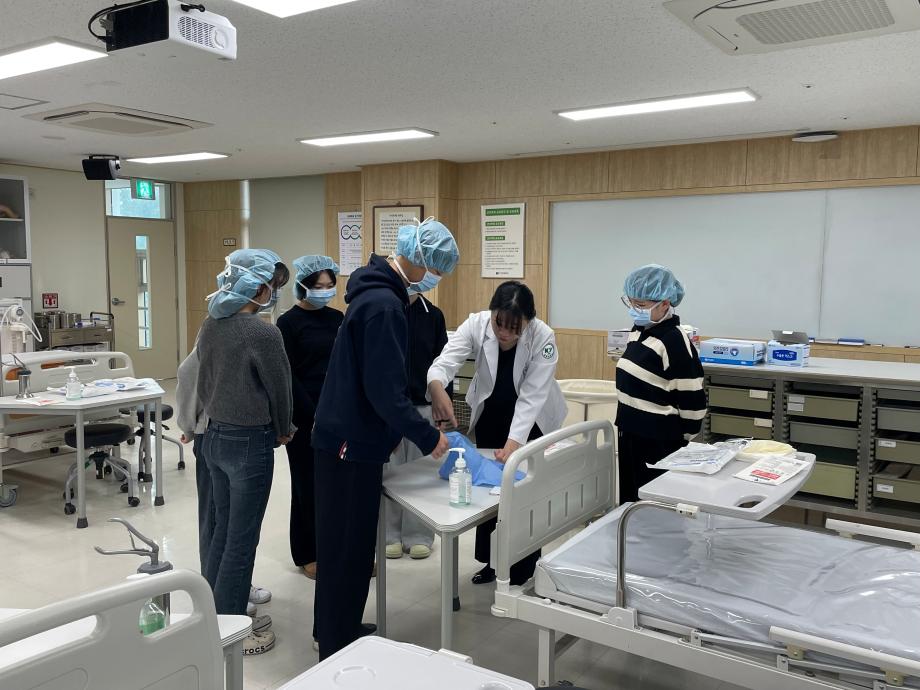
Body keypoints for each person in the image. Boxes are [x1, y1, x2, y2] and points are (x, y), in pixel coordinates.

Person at [312, 218, 459, 660]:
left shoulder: (377, 294)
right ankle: (337, 644)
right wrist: (427, 436)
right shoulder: (385, 306)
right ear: (418, 259)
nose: (435, 278)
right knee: (347, 546)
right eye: (436, 269)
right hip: (348, 444)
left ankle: (336, 627)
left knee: (348, 544)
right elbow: (384, 390)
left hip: (349, 435)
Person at [428, 281, 567, 586]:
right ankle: (492, 563)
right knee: (488, 488)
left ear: (528, 321)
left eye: (514, 327)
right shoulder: (476, 324)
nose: (504, 332)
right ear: (491, 312)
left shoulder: (543, 336)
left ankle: (522, 569)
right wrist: (436, 386)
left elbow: (532, 396)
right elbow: (446, 361)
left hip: (532, 422)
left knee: (524, 492)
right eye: (499, 323)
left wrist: (514, 443)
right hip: (492, 414)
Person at [196, 248, 295, 656]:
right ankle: (233, 632)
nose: (273, 291)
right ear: (257, 288)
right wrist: (284, 428)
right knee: (242, 539)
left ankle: (212, 618)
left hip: (214, 438)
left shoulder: (210, 325)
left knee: (221, 531)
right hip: (249, 443)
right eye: (271, 284)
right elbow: (280, 388)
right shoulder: (263, 334)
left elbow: (201, 381)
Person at [615, 264, 707, 503]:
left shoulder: (674, 341)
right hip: (630, 432)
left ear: (665, 303)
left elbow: (693, 403)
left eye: (641, 305)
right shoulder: (639, 331)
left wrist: (677, 442)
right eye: (631, 303)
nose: (634, 309)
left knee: (654, 506)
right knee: (631, 500)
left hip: (658, 442)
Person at [276, 255, 344, 580]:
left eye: (330, 285)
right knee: (307, 486)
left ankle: (339, 549)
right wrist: (314, 413)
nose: (325, 291)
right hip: (305, 417)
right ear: (303, 286)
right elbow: (287, 375)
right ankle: (308, 553)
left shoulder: (337, 318)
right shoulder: (287, 324)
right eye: (319, 286)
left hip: (338, 412)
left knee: (338, 487)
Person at [385, 291, 451, 561]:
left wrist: (442, 406)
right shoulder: (386, 310)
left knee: (422, 474)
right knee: (389, 472)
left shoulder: (433, 315)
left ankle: (419, 535)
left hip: (423, 406)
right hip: (390, 407)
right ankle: (388, 534)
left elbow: (445, 362)